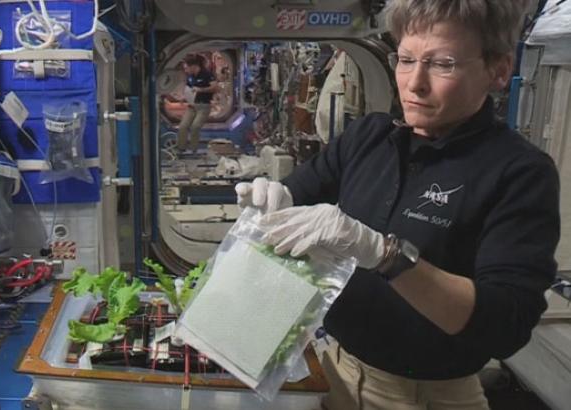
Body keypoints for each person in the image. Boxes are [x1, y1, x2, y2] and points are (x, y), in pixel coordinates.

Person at [236, 1, 560, 409]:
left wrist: (384, 255)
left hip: (427, 397)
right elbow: (297, 194)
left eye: (442, 64)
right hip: (334, 369)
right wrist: (275, 199)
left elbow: (506, 325)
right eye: (406, 60)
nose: (414, 83)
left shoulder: (519, 172)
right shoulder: (368, 137)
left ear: (498, 69)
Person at [176, 54, 218, 154]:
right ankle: (181, 149)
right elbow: (188, 89)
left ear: (193, 66)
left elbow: (215, 88)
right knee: (183, 126)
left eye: (186, 68)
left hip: (203, 106)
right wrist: (183, 97)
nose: (185, 70)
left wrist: (201, 90)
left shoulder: (207, 74)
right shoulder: (190, 77)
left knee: (195, 127)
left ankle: (193, 150)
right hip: (191, 106)